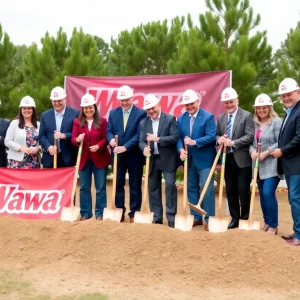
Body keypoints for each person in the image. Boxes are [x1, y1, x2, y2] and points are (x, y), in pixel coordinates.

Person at [177, 89, 216, 231]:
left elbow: (211, 136)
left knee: (207, 189)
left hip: (205, 159)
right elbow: (179, 138)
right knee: (191, 189)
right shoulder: (181, 119)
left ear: (197, 102)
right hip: (189, 160)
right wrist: (181, 149)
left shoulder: (208, 117)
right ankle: (196, 217)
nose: (189, 106)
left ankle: (210, 218)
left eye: (191, 103)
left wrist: (195, 141)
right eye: (186, 104)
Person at [106, 85, 147, 222]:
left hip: (134, 154)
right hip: (117, 155)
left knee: (135, 185)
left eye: (126, 99)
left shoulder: (141, 113)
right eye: (121, 100)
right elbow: (109, 130)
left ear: (132, 98)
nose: (124, 102)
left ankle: (134, 213)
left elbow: (139, 134)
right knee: (118, 183)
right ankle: (119, 211)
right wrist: (111, 139)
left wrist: (126, 147)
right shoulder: (113, 113)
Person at [216, 87, 254, 229]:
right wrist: (219, 139)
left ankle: (244, 218)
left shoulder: (247, 116)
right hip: (227, 159)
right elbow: (217, 135)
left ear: (237, 100)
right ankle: (234, 218)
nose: (229, 105)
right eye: (226, 103)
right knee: (230, 190)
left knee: (243, 190)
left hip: (242, 159)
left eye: (231, 101)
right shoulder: (221, 117)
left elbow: (249, 136)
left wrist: (232, 142)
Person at [139, 94, 179, 227]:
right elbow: (141, 141)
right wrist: (144, 148)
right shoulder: (144, 123)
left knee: (170, 186)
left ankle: (171, 217)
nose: (151, 111)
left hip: (167, 159)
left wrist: (158, 139)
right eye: (148, 109)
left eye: (153, 108)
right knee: (153, 188)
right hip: (152, 160)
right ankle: (157, 216)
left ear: (159, 106)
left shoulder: (170, 119)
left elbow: (174, 137)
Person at [71, 94, 110, 221]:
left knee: (100, 188)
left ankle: (100, 213)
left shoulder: (102, 121)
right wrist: (77, 139)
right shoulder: (77, 122)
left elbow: (106, 138)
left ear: (94, 107)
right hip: (84, 160)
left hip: (100, 159)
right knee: (84, 187)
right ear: (82, 109)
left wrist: (98, 146)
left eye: (90, 107)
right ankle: (85, 213)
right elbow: (73, 139)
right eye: (85, 108)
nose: (88, 110)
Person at [271, 78, 300, 246]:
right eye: (283, 96)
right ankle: (297, 231)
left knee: (296, 199)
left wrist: (282, 150)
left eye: (288, 94)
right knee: (294, 199)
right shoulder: (291, 111)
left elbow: (299, 138)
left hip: (296, 164)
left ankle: (299, 235)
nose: (285, 98)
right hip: (291, 165)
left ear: (298, 92)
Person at [249, 93, 283, 235]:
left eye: (264, 108)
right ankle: (267, 222)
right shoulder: (254, 123)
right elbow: (251, 142)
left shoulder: (276, 122)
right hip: (258, 166)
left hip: (272, 164)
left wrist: (267, 152)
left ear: (269, 108)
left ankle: (274, 224)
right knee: (262, 195)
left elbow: (280, 141)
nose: (261, 110)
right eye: (258, 108)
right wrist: (252, 151)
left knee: (268, 193)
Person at [39, 86, 80, 168]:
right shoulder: (45, 115)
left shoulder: (75, 114)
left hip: (67, 159)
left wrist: (64, 136)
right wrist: (48, 147)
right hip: (49, 159)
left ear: (65, 99)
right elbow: (41, 136)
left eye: (59, 101)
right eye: (54, 101)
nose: (57, 103)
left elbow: (78, 134)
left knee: (67, 181)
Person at [5, 96, 41, 169]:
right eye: (24, 108)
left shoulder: (39, 125)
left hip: (34, 162)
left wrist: (39, 148)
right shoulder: (14, 123)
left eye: (29, 108)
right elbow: (7, 141)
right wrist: (21, 148)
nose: (26, 110)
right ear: (20, 110)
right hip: (16, 163)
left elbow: (43, 141)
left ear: (33, 110)